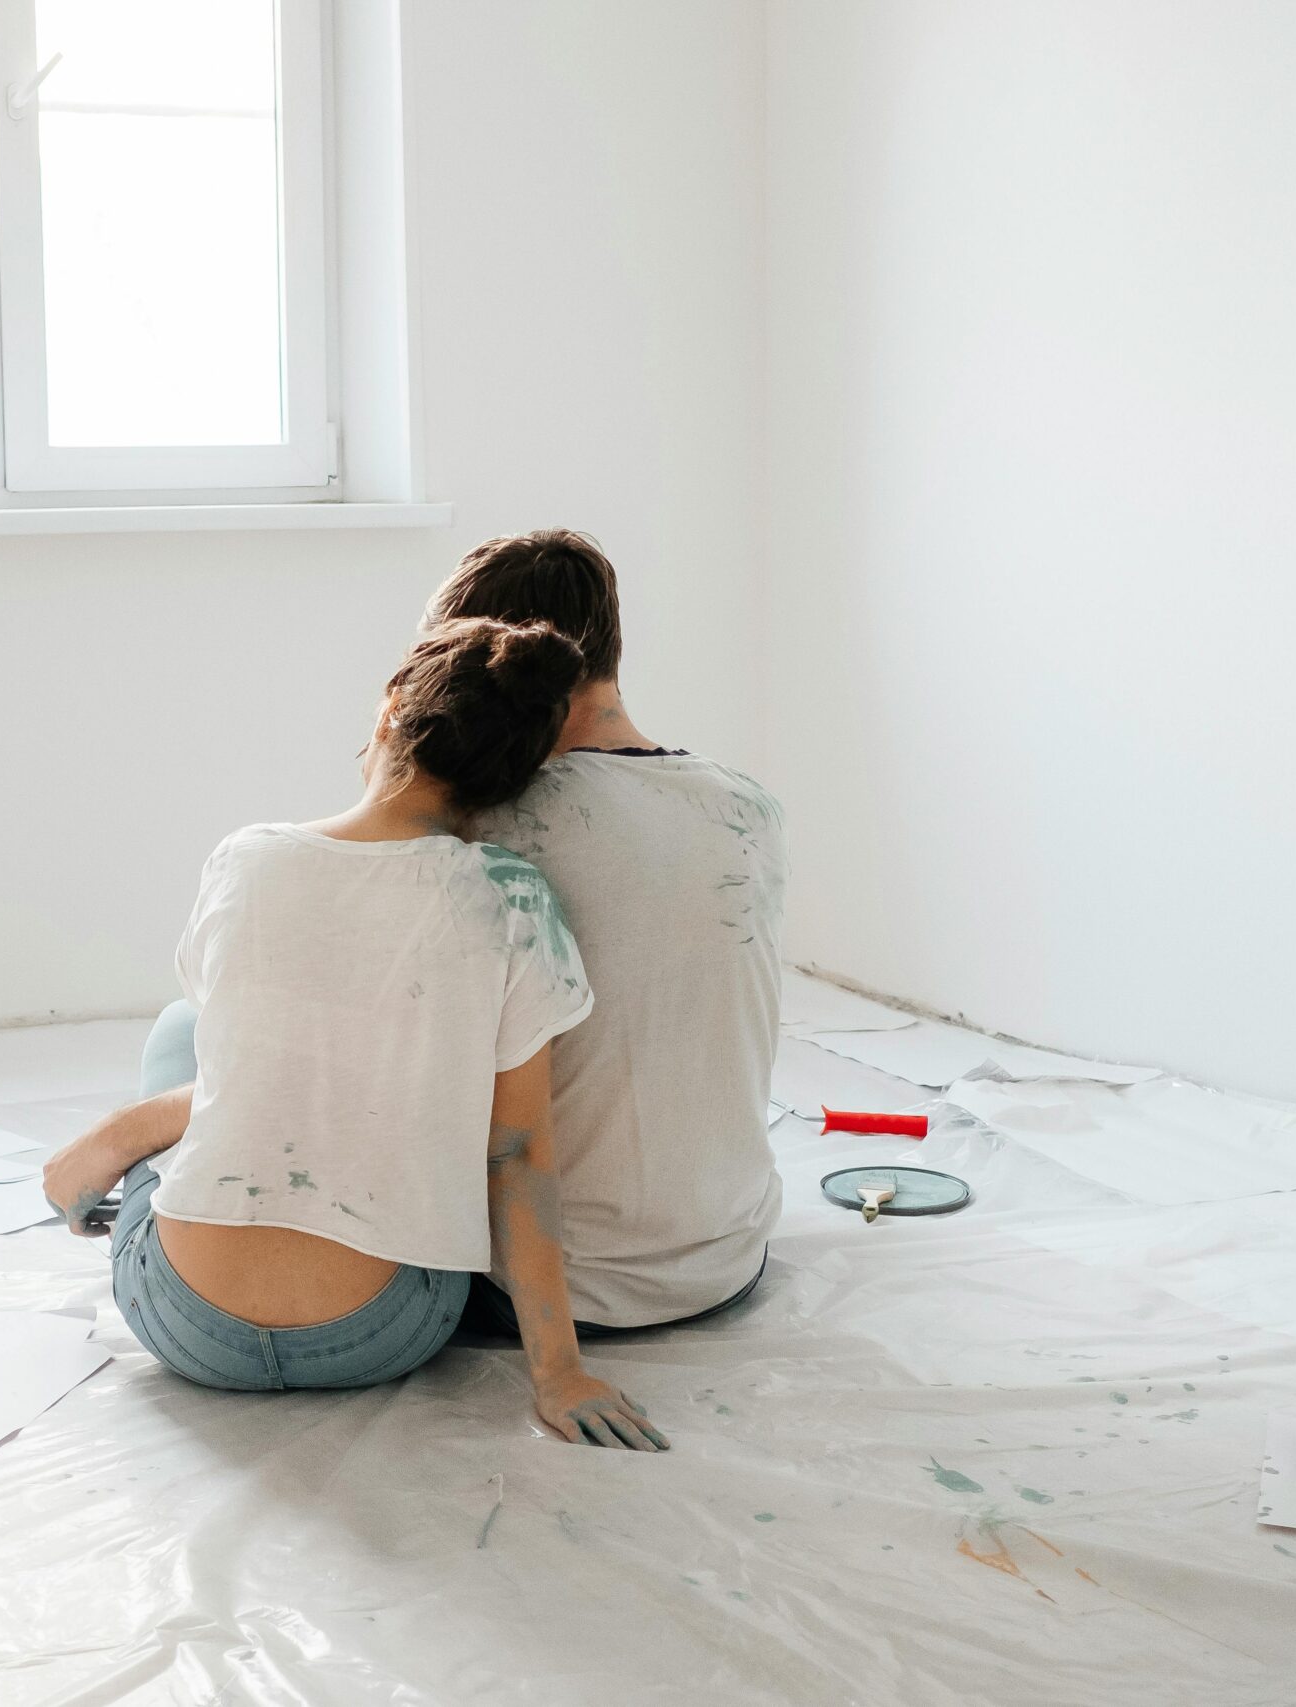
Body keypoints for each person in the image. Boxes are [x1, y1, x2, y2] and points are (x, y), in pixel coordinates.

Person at [41, 617, 669, 1450]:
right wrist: (558, 1371)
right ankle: (126, 1140)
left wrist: (124, 1133)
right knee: (242, 1042)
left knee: (182, 1029)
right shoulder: (513, 899)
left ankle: (113, 1143)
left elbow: (252, 1065)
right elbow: (516, 1152)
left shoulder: (247, 857)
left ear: (389, 712)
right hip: (381, 1332)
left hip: (184, 1320)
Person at [427, 529, 786, 1334]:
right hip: (729, 1259)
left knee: (184, 1034)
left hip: (550, 1290)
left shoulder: (494, 825)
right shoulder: (752, 808)